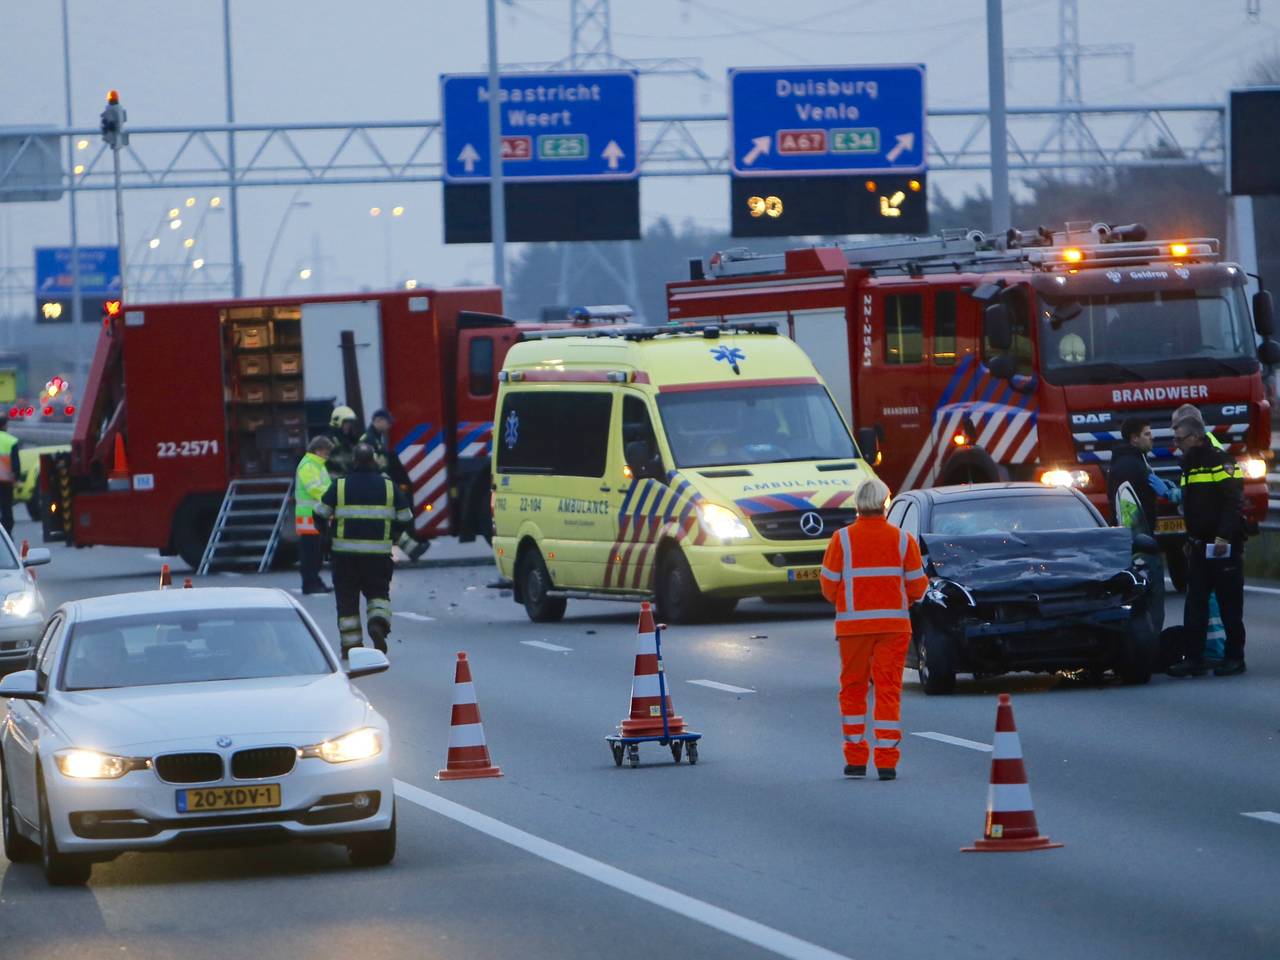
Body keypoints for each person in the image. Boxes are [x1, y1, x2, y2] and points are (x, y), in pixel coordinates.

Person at [820, 477, 927, 781]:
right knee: (887, 690)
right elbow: (918, 587)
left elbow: (828, 586)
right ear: (885, 503)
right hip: (894, 627)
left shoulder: (841, 540)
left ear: (857, 504)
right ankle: (886, 762)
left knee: (853, 689)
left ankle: (855, 759)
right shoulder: (903, 540)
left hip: (853, 629)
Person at [313, 443, 412, 659]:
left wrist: (326, 534)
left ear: (354, 461)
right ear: (374, 461)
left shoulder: (339, 486)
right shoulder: (388, 486)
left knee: (347, 601)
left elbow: (320, 514)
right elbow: (405, 518)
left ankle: (352, 647)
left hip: (344, 558)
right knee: (378, 594)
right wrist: (391, 533)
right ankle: (377, 623)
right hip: (377, 557)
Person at [1167, 416, 1247, 677]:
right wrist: (1190, 540)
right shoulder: (1188, 465)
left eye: (1180, 439)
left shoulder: (1220, 462)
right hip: (1200, 545)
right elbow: (1191, 508)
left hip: (1223, 545)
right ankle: (1194, 658)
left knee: (1229, 604)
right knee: (1195, 603)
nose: (1176, 444)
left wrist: (1223, 537)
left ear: (1196, 437)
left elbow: (1233, 502)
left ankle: (1235, 658)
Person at [1106, 417, 1173, 632]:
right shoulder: (1130, 465)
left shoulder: (1135, 460)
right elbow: (1128, 511)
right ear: (1134, 439)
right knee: (1150, 596)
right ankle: (1150, 643)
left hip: (1140, 541)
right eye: (1146, 433)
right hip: (1139, 543)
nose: (1151, 437)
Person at [361, 408, 427, 561]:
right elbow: (374, 466)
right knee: (386, 521)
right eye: (387, 422)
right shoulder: (369, 440)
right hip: (376, 486)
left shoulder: (375, 438)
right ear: (378, 420)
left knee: (388, 521)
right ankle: (411, 549)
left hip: (379, 485)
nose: (389, 425)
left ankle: (412, 549)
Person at [294, 436, 334, 595]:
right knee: (310, 554)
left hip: (316, 516)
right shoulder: (309, 466)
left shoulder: (317, 465)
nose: (328, 456)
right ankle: (309, 584)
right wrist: (333, 498)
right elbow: (316, 489)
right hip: (309, 517)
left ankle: (315, 581)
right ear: (318, 450)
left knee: (316, 554)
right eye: (326, 452)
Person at [0, 413, 22, 536]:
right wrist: (16, 478)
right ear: (4, 426)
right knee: (6, 510)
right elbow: (16, 465)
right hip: (5, 482)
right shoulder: (11, 441)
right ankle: (7, 536)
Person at [326, 405, 361, 479]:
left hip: (350, 480)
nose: (349, 425)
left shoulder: (352, 440)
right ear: (337, 422)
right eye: (346, 422)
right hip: (335, 481)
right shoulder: (328, 441)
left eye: (350, 423)